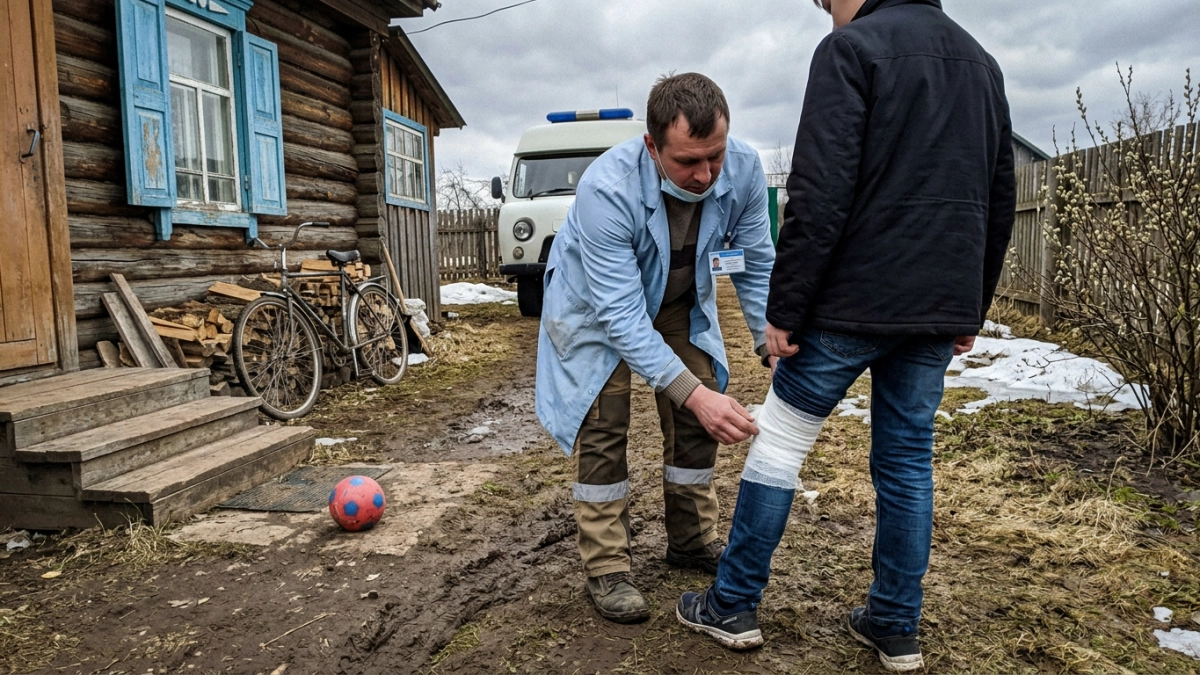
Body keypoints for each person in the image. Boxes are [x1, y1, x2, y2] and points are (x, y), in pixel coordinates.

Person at [676, 0, 1016, 671]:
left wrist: (786, 308)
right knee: (908, 462)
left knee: (779, 445)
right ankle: (894, 623)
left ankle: (733, 603)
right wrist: (967, 304)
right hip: (933, 307)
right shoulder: (982, 62)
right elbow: (999, 191)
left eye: (826, 0)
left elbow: (818, 190)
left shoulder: (851, 51)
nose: (825, 11)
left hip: (850, 303)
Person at [535, 73, 777, 624]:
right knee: (604, 422)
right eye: (689, 162)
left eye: (714, 156)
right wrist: (694, 395)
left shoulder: (742, 168)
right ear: (651, 145)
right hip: (595, 310)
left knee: (700, 408)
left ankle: (690, 540)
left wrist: (772, 344)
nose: (706, 174)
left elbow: (757, 264)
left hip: (675, 301)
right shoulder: (606, 189)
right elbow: (621, 318)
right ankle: (608, 566)